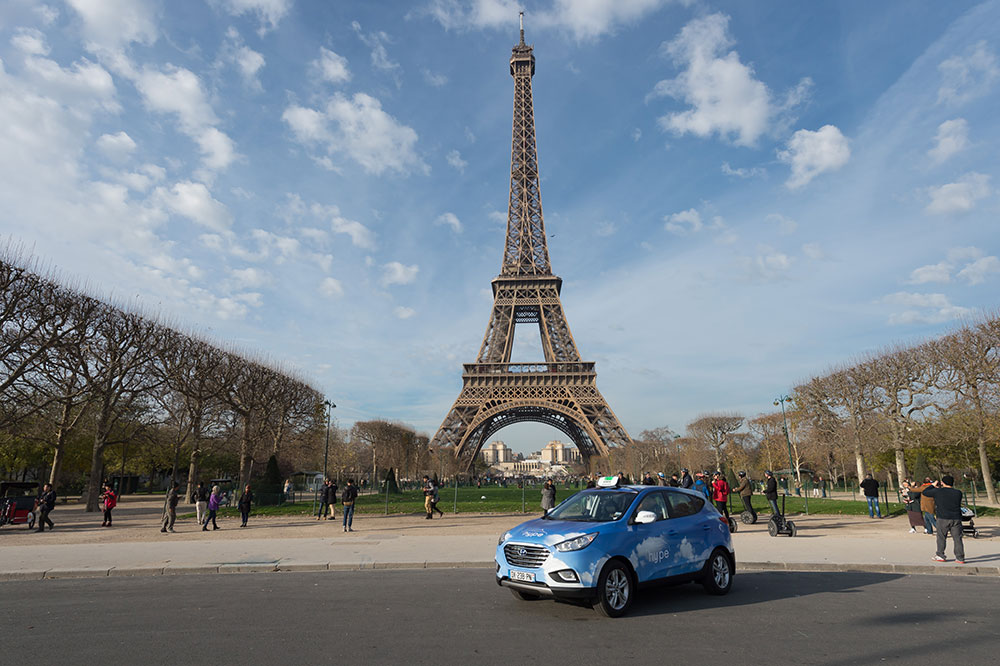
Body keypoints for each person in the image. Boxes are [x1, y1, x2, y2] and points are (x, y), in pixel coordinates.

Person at [923, 476, 965, 564]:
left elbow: (925, 492)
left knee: (941, 537)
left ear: (942, 483)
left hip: (943, 517)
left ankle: (940, 555)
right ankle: (960, 557)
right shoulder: (958, 493)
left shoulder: (938, 491)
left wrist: (932, 485)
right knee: (957, 539)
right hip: (956, 518)